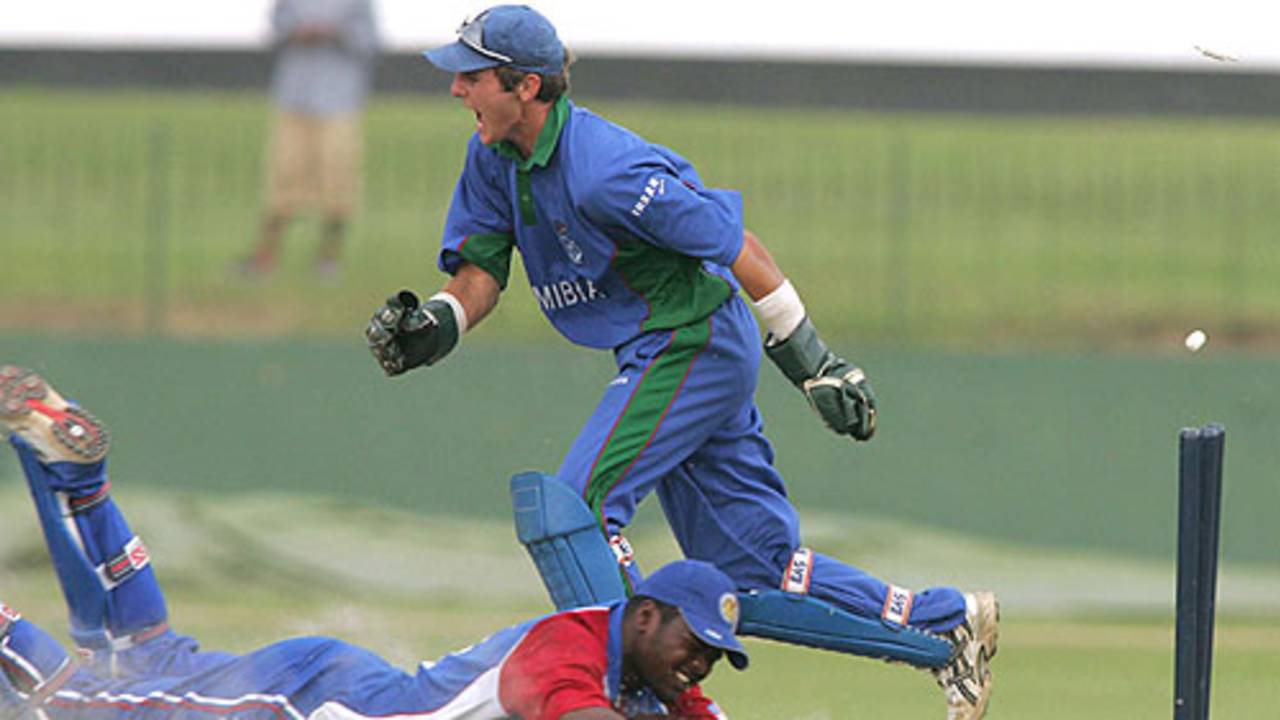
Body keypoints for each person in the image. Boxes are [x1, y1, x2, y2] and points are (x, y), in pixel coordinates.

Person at [364, 5, 999, 718]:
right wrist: (436, 325)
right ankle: (942, 628)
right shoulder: (492, 157)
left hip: (691, 341)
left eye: (472, 76)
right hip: (661, 348)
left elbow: (735, 246)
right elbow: (480, 274)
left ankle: (627, 700)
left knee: (578, 508)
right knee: (750, 573)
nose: (456, 90)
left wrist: (814, 362)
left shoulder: (606, 169)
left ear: (528, 87)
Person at [0, 365, 743, 719]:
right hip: (305, 706)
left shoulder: (650, 681)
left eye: (714, 656)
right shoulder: (569, 648)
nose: (700, 663)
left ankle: (76, 479)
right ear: (645, 615)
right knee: (82, 708)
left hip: (339, 684)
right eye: (695, 643)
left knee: (139, 660)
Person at [238, 0, 381, 279]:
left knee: (338, 179)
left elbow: (370, 41)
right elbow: (274, 31)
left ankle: (328, 259)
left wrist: (336, 34)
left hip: (339, 99)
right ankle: (266, 256)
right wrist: (297, 32)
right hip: (295, 97)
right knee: (282, 175)